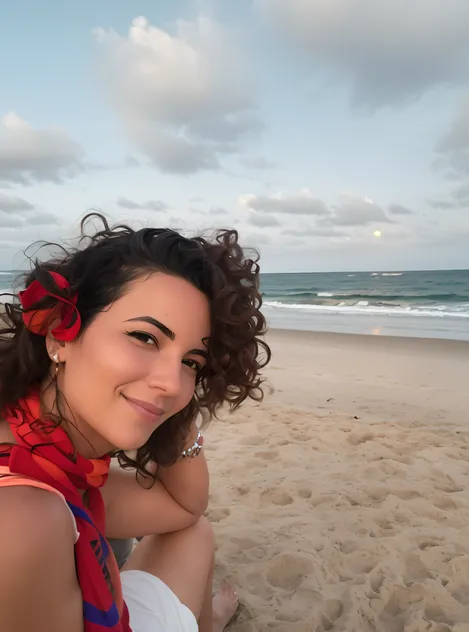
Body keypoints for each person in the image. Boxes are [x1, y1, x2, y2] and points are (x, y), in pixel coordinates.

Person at [0, 214, 270, 632]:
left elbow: (183, 509)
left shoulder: (44, 451)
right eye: (145, 337)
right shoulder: (27, 518)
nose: (171, 381)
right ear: (58, 335)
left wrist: (171, 403)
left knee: (193, 534)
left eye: (191, 362)